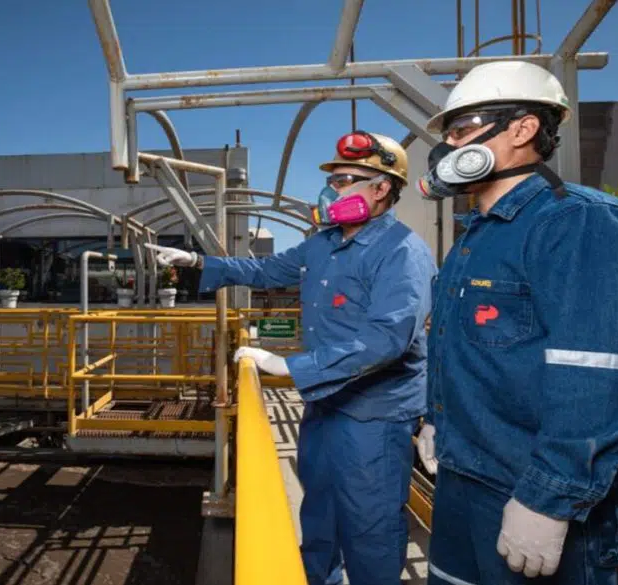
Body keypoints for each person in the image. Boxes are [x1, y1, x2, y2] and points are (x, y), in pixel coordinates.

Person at [146, 131, 436, 585]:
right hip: (325, 406)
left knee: (369, 527)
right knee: (319, 511)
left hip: (375, 417)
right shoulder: (322, 243)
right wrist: (197, 263)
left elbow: (387, 338)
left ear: (381, 189)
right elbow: (264, 269)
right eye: (334, 179)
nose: (332, 189)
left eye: (346, 179)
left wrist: (291, 366)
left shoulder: (402, 252)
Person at [414, 60, 618, 584]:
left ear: (522, 128)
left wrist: (550, 499)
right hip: (464, 479)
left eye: (461, 130)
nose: (449, 148)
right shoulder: (477, 235)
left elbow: (599, 377)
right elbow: (465, 350)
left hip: (531, 494)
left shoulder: (581, 223)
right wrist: (436, 421)